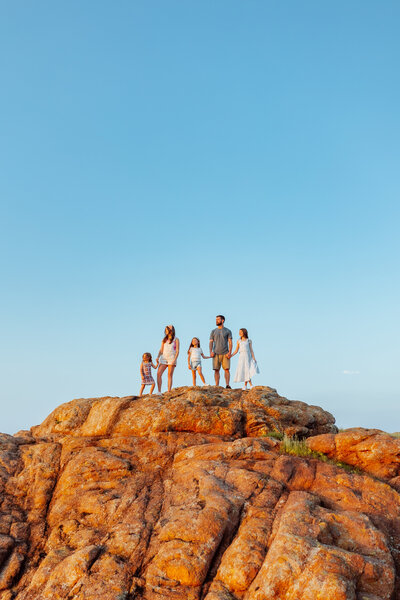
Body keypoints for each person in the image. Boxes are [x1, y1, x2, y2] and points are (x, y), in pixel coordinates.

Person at [209, 315, 233, 388]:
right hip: (216, 353)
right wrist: (211, 351)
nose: (216, 321)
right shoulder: (213, 331)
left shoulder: (228, 331)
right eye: (216, 319)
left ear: (222, 320)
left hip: (225, 353)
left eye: (218, 319)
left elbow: (230, 342)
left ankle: (227, 385)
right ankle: (217, 385)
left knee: (226, 369)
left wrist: (229, 352)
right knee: (216, 370)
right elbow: (211, 342)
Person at [156, 325, 180, 393]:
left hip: (172, 358)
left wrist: (175, 359)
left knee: (169, 375)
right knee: (158, 374)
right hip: (164, 358)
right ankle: (159, 391)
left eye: (168, 329)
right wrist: (157, 357)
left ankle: (169, 391)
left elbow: (177, 351)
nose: (166, 331)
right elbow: (161, 350)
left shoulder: (176, 339)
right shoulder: (164, 340)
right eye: (166, 330)